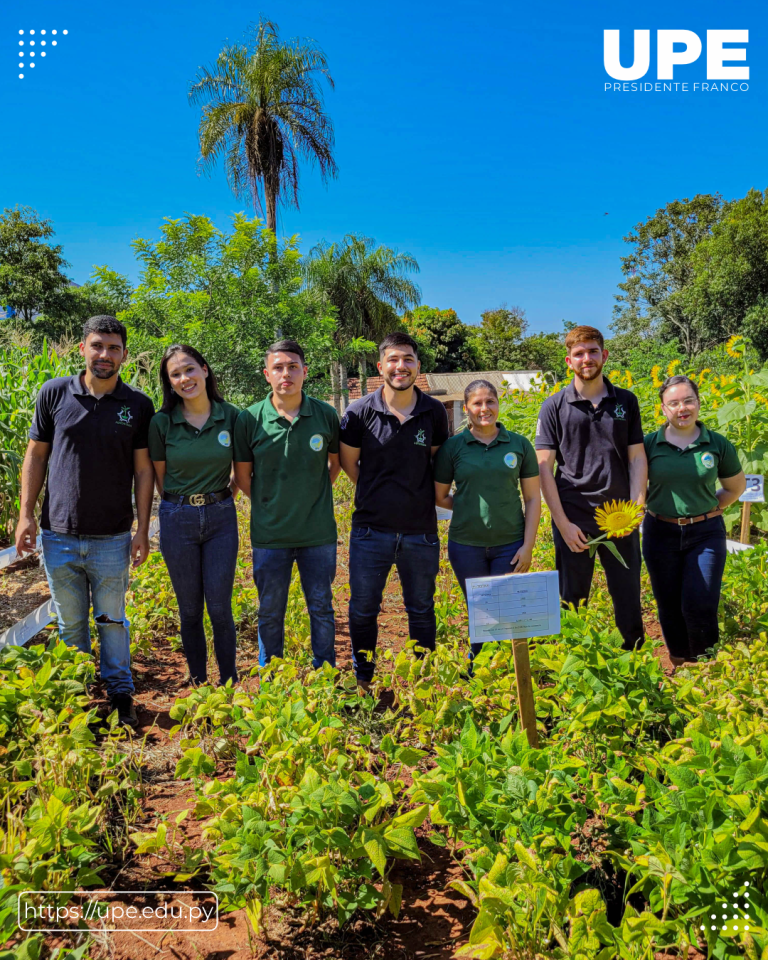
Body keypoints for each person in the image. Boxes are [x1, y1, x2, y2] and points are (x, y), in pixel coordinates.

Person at [14, 316, 155, 728]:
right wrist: (25, 514)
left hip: (112, 536)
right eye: (97, 346)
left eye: (113, 348)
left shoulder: (137, 405)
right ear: (82, 349)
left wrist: (142, 528)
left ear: (124, 355)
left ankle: (120, 694)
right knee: (70, 622)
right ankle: (75, 693)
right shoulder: (54, 393)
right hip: (57, 534)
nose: (105, 355)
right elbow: (36, 456)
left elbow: (144, 470)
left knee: (112, 620)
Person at [339, 332, 450, 690]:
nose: (400, 366)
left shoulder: (433, 411)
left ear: (418, 365)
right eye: (393, 360)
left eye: (407, 359)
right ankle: (364, 678)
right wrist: (379, 492)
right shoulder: (358, 413)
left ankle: (423, 681)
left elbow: (437, 463)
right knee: (363, 609)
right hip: (371, 531)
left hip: (420, 530)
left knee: (420, 608)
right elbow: (350, 465)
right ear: (380, 366)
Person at [535, 325, 647, 649]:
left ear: (604, 355)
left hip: (621, 516)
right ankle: (573, 665)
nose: (587, 358)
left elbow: (637, 458)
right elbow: (545, 467)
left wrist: (637, 509)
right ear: (569, 361)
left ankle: (634, 659)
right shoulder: (553, 406)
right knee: (572, 597)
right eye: (579, 353)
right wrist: (562, 524)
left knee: (627, 595)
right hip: (574, 517)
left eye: (593, 351)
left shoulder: (626, 401)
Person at [234, 339, 340, 670]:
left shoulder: (325, 414)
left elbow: (335, 465)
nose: (286, 374)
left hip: (318, 534)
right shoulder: (249, 419)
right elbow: (242, 476)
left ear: (305, 372)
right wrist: (269, 504)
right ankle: (272, 674)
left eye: (293, 367)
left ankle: (325, 671)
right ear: (267, 374)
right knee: (270, 609)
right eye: (278, 368)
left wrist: (312, 495)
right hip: (270, 536)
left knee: (321, 606)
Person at [148, 345, 241, 687]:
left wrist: (224, 495)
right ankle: (200, 683)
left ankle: (229, 682)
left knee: (219, 608)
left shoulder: (231, 416)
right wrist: (182, 505)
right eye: (175, 374)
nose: (184, 378)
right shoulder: (161, 423)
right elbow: (160, 478)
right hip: (177, 519)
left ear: (204, 369)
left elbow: (243, 468)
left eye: (189, 369)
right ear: (169, 383)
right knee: (189, 610)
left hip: (221, 518)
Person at [434, 379, 541, 663]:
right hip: (466, 545)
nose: (485, 408)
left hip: (510, 545)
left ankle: (509, 670)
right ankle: (479, 666)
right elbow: (440, 496)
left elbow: (532, 499)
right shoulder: (453, 447)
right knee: (480, 611)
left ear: (498, 403)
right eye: (477, 403)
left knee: (507, 611)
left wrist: (528, 546)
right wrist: (468, 508)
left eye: (490, 401)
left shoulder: (519, 445)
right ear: (467, 408)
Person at [642, 374, 745, 666]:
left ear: (699, 403)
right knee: (669, 604)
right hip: (659, 532)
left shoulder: (717, 444)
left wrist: (707, 510)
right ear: (663, 409)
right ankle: (679, 662)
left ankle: (706, 668)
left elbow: (734, 488)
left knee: (701, 602)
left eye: (688, 400)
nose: (682, 408)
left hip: (705, 534)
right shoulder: (649, 444)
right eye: (673, 403)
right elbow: (638, 487)